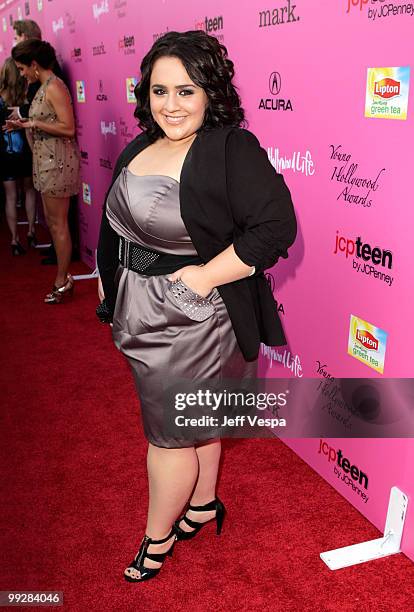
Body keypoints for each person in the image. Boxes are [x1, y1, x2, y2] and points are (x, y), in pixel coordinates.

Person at [97, 30, 297, 583]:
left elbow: (276, 226)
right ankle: (204, 505)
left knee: (168, 436)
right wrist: (108, 279)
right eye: (159, 91)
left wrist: (207, 277)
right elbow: (117, 224)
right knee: (200, 421)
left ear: (211, 91)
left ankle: (154, 539)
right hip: (139, 306)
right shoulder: (142, 144)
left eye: (186, 91)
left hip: (194, 319)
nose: (171, 105)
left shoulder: (229, 148)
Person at [6, 39, 80, 303]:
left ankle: (63, 280)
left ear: (34, 65)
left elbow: (68, 128)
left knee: (58, 225)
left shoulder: (55, 87)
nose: (22, 73)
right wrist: (25, 124)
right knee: (53, 223)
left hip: (58, 162)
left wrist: (33, 122)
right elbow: (47, 122)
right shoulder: (44, 87)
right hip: (46, 162)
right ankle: (63, 278)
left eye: (22, 68)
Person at [0, 57, 36, 254]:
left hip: (5, 154)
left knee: (10, 196)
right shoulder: (27, 99)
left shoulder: (0, 98)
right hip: (26, 153)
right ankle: (31, 231)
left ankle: (14, 240)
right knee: (29, 191)